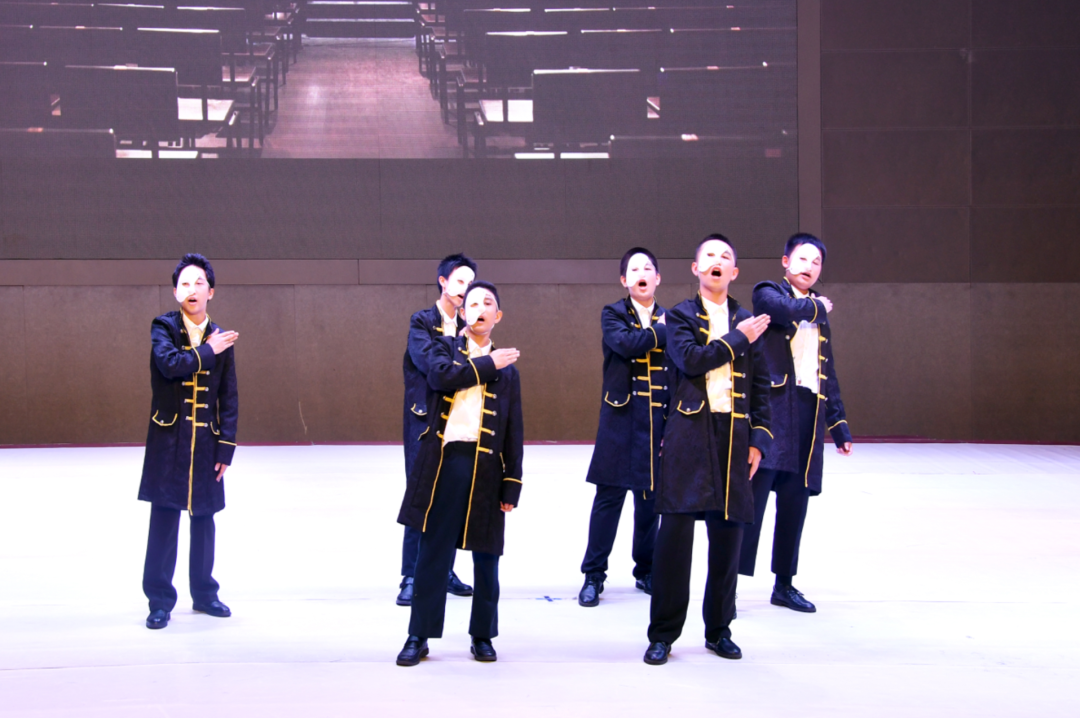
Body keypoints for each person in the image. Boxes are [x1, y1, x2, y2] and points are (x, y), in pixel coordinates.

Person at [644, 234, 772, 665]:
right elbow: (691, 360)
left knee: (728, 539)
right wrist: (737, 339)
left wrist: (759, 440)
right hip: (688, 433)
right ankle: (663, 634)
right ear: (696, 268)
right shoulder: (679, 315)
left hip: (734, 436)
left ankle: (719, 630)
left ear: (734, 272)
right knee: (675, 540)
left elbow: (761, 386)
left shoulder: (749, 320)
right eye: (709, 256)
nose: (718, 261)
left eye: (726, 257)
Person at [396, 281, 523, 666]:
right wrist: (489, 364)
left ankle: (482, 634)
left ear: (498, 315)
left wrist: (512, 484)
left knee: (487, 557)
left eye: (488, 303)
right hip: (447, 464)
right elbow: (439, 377)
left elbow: (513, 430)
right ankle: (418, 635)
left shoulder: (509, 372)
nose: (480, 308)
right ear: (462, 313)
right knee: (433, 553)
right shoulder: (443, 348)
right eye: (472, 303)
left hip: (488, 467)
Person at [738, 233, 853, 612]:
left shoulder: (818, 313)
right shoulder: (768, 292)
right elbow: (780, 309)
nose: (809, 267)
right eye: (803, 259)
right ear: (786, 261)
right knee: (751, 504)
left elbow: (827, 373)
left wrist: (839, 425)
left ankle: (784, 584)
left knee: (795, 503)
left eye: (816, 262)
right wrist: (817, 306)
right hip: (772, 413)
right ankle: (728, 586)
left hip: (808, 414)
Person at [138, 253, 238, 630]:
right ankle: (159, 600)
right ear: (175, 292)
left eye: (199, 283)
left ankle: (205, 594)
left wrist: (226, 447)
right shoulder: (163, 327)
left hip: (207, 444)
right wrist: (208, 351)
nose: (191, 289)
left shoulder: (221, 336)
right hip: (169, 440)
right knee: (164, 519)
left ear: (211, 292)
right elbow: (169, 364)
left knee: (204, 519)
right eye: (184, 283)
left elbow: (229, 396)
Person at [578, 247, 667, 606]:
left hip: (657, 423)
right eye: (634, 269)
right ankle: (593, 575)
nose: (641, 273)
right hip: (620, 421)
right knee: (608, 500)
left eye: (648, 268)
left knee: (649, 505)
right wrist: (662, 332)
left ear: (657, 278)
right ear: (624, 280)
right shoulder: (613, 313)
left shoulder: (671, 317)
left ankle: (646, 571)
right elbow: (626, 344)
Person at [398, 253, 478, 606]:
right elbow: (431, 365)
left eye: (471, 283)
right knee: (421, 497)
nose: (465, 289)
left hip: (460, 423)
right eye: (459, 281)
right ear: (443, 281)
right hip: (424, 423)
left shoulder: (473, 325)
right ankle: (411, 576)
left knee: (452, 499)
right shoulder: (422, 321)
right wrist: (460, 353)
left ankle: (444, 570)